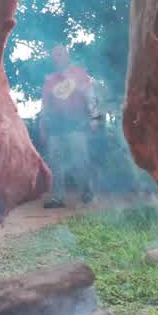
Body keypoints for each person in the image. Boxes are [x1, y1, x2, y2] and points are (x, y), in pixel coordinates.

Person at [39, 45, 100, 209]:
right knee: (55, 162)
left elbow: (90, 95)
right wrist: (43, 126)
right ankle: (58, 198)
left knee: (80, 159)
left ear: (67, 55)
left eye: (60, 54)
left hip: (77, 123)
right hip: (56, 126)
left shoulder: (79, 73)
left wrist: (94, 118)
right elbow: (45, 106)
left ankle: (87, 192)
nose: (57, 58)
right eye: (55, 55)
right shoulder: (49, 80)